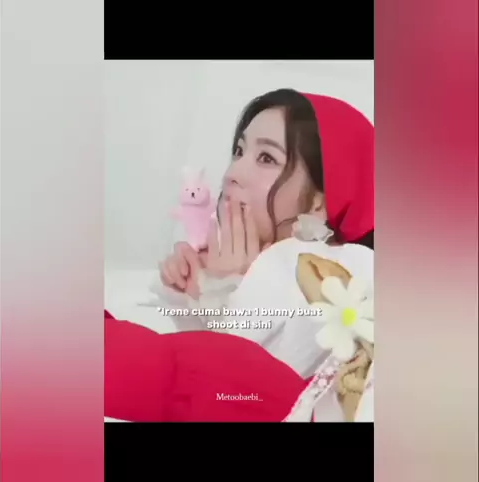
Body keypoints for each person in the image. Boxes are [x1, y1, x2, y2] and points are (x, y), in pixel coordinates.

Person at [105, 89, 375, 422]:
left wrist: (226, 291)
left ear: (321, 201)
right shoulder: (256, 258)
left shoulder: (339, 272)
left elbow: (245, 391)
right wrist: (194, 292)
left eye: (266, 158)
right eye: (239, 151)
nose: (232, 173)